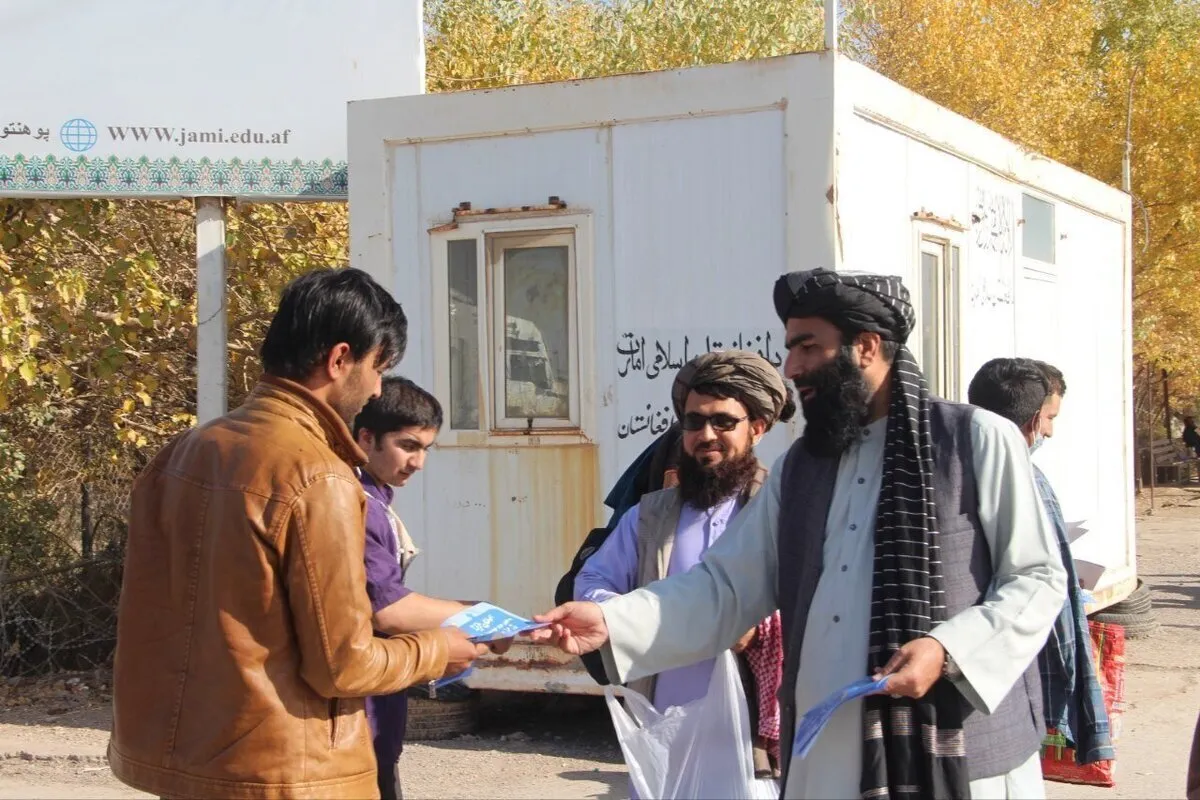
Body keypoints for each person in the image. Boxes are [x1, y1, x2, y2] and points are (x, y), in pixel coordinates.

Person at [533, 268, 1067, 799]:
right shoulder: (802, 469)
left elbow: (1037, 577)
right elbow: (725, 587)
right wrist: (612, 621)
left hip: (957, 749)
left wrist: (948, 648)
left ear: (865, 346)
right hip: (826, 752)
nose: (792, 368)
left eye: (808, 347)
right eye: (791, 349)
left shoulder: (973, 440)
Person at [109, 268, 488, 799]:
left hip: (182, 763)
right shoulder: (319, 476)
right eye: (378, 368)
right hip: (285, 771)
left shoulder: (185, 450)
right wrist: (436, 650)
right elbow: (345, 665)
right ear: (339, 359)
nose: (377, 388)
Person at [575, 350, 793, 778]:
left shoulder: (784, 509)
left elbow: (821, 601)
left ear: (757, 428)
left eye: (723, 422)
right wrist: (626, 616)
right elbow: (593, 582)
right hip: (665, 723)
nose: (706, 435)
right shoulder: (649, 516)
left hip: (751, 729)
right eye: (694, 422)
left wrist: (760, 629)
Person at [353, 376, 511, 800]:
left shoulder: (376, 497)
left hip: (377, 699)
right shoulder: (359, 504)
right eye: (408, 445)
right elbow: (388, 609)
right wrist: (481, 616)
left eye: (425, 449)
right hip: (358, 710)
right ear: (366, 438)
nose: (418, 462)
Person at [968, 358, 1113, 765]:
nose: (1050, 431)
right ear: (1032, 419)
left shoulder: (946, 470)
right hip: (1014, 676)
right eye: (1049, 418)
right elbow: (1041, 591)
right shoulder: (1025, 478)